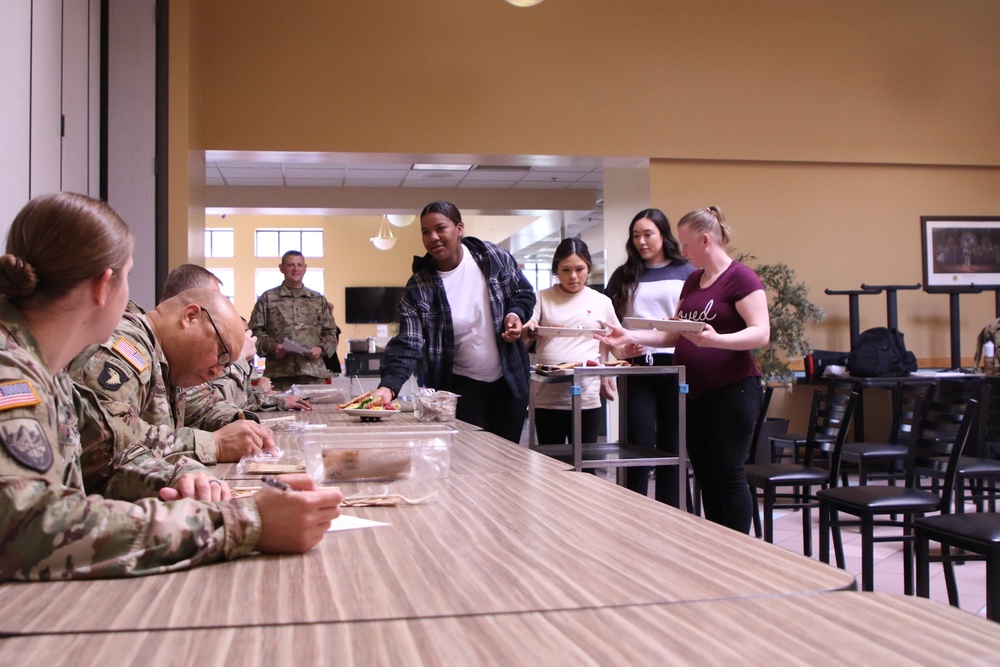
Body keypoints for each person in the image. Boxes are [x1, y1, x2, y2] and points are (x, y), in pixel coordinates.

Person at [0, 192, 343, 580]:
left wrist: (176, 472)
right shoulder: (12, 370)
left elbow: (113, 447)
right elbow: (29, 528)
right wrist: (242, 521)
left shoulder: (44, 367)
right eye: (127, 276)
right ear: (103, 286)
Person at [598, 206, 769, 533]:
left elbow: (761, 332)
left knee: (729, 474)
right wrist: (630, 335)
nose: (683, 250)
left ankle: (739, 551)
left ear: (705, 240)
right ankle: (717, 544)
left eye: (686, 243)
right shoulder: (694, 279)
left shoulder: (741, 278)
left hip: (734, 388)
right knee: (705, 474)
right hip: (695, 393)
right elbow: (673, 332)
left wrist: (717, 341)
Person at [373, 201, 535, 443]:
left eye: (441, 228)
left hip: (509, 380)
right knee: (471, 457)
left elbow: (524, 292)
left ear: (459, 228)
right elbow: (408, 343)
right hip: (461, 387)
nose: (433, 238)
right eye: (425, 232)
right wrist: (389, 386)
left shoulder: (493, 257)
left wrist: (516, 314)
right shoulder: (419, 287)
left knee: (507, 459)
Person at [69, 287, 279, 468]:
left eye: (226, 365)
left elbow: (201, 405)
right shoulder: (126, 348)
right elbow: (103, 437)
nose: (217, 372)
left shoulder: (170, 359)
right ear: (190, 317)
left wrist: (243, 424)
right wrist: (213, 444)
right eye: (221, 354)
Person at [605, 208, 695, 507]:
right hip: (637, 366)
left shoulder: (687, 272)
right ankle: (635, 509)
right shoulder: (625, 274)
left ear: (663, 235)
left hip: (677, 366)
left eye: (648, 234)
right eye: (636, 235)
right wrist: (617, 355)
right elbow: (611, 323)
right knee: (637, 443)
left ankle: (672, 512)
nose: (641, 241)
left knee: (673, 444)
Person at [525, 237, 621, 446]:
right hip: (547, 396)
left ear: (588, 267)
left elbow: (614, 340)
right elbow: (528, 327)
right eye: (565, 270)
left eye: (580, 269)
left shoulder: (602, 301)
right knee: (551, 464)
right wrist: (530, 331)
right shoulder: (541, 297)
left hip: (586, 396)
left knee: (585, 463)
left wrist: (610, 368)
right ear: (556, 270)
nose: (573, 276)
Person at [183, 322, 313, 430]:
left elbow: (243, 399)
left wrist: (279, 401)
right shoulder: (197, 362)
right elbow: (219, 401)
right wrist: (240, 357)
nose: (249, 340)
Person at [248, 250, 339, 391]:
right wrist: (273, 347)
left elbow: (330, 332)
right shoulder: (267, 299)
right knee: (277, 413)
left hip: (312, 374)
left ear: (305, 268)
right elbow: (255, 333)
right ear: (281, 268)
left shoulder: (317, 299)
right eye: (290, 265)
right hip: (278, 375)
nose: (296, 269)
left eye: (299, 265)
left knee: (316, 413)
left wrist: (321, 348)